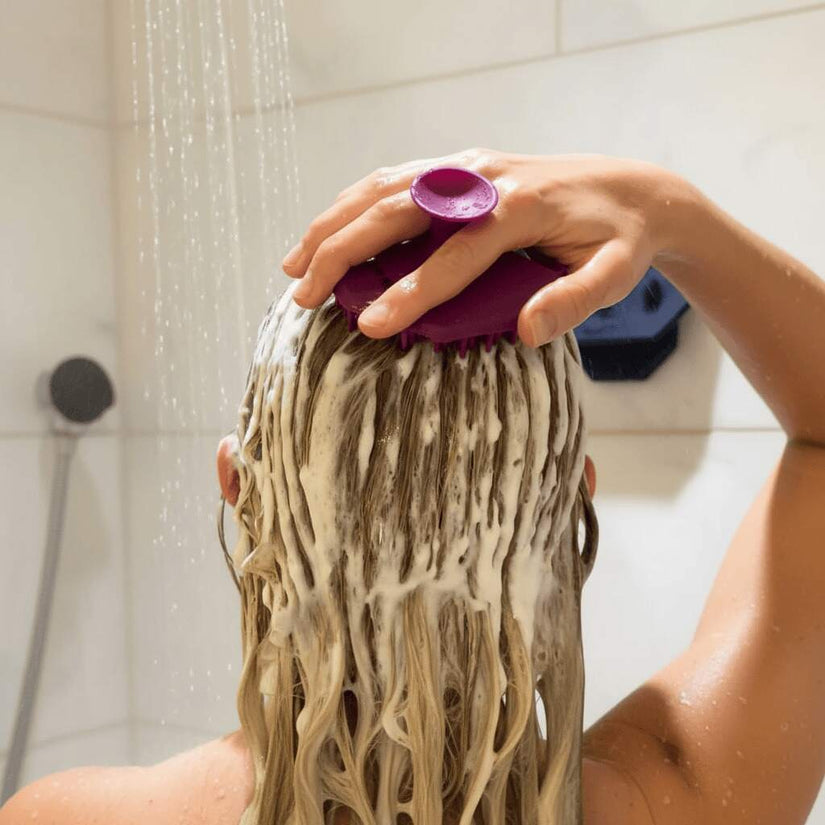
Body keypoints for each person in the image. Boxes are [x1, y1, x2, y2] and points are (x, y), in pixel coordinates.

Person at [2, 150, 824, 825]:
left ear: (237, 483)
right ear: (574, 499)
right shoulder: (683, 797)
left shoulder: (65, 816)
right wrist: (668, 209)